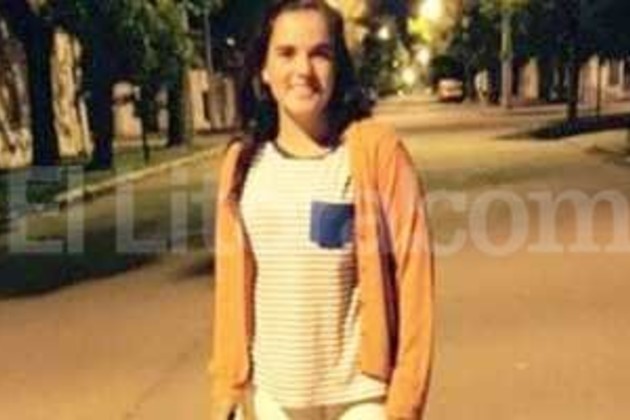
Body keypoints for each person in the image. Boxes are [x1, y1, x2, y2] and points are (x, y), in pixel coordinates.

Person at [210, 1, 434, 419]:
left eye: (320, 53)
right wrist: (227, 385)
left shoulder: (375, 152)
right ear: (263, 69)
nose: (303, 69)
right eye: (286, 53)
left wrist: (405, 400)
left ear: (337, 67)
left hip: (361, 398)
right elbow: (231, 289)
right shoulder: (242, 164)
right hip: (272, 398)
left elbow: (414, 279)